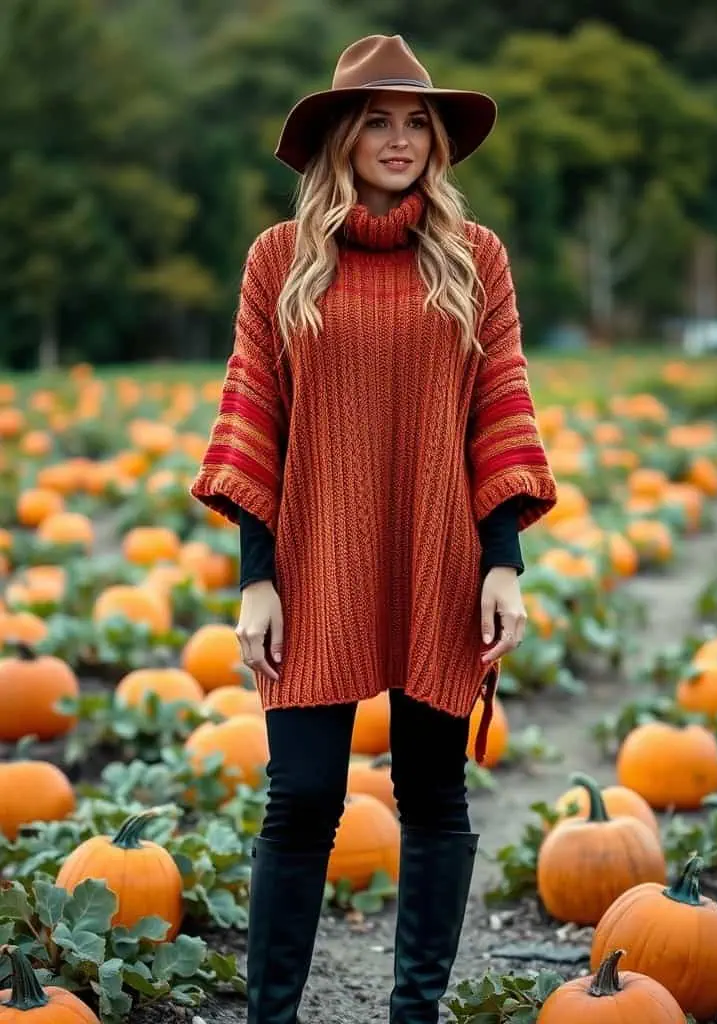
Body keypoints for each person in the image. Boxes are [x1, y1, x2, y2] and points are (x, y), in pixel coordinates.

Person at [190, 33, 557, 1024]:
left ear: (437, 142)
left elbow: (499, 409)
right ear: (342, 139)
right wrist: (256, 577)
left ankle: (413, 1013)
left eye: (417, 123)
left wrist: (503, 562)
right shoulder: (279, 259)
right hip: (314, 556)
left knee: (434, 793)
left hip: (440, 556)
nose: (400, 140)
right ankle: (271, 1016)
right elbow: (255, 417)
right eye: (378, 122)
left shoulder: (476, 258)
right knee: (304, 794)